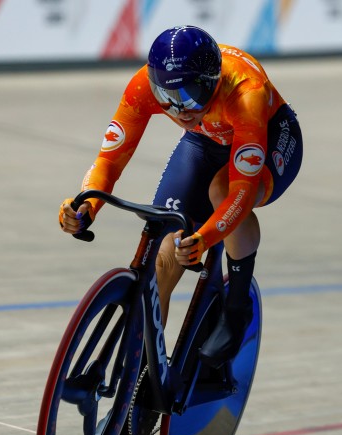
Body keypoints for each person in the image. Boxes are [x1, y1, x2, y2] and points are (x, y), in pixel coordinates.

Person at [59, 25, 302, 368]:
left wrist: (206, 236)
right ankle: (143, 378)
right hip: (206, 140)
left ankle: (236, 309)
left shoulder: (246, 91)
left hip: (270, 135)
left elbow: (241, 193)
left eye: (190, 96)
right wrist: (87, 202)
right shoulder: (145, 86)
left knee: (221, 191)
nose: (180, 109)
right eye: (168, 99)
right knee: (163, 255)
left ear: (213, 82)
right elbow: (108, 159)